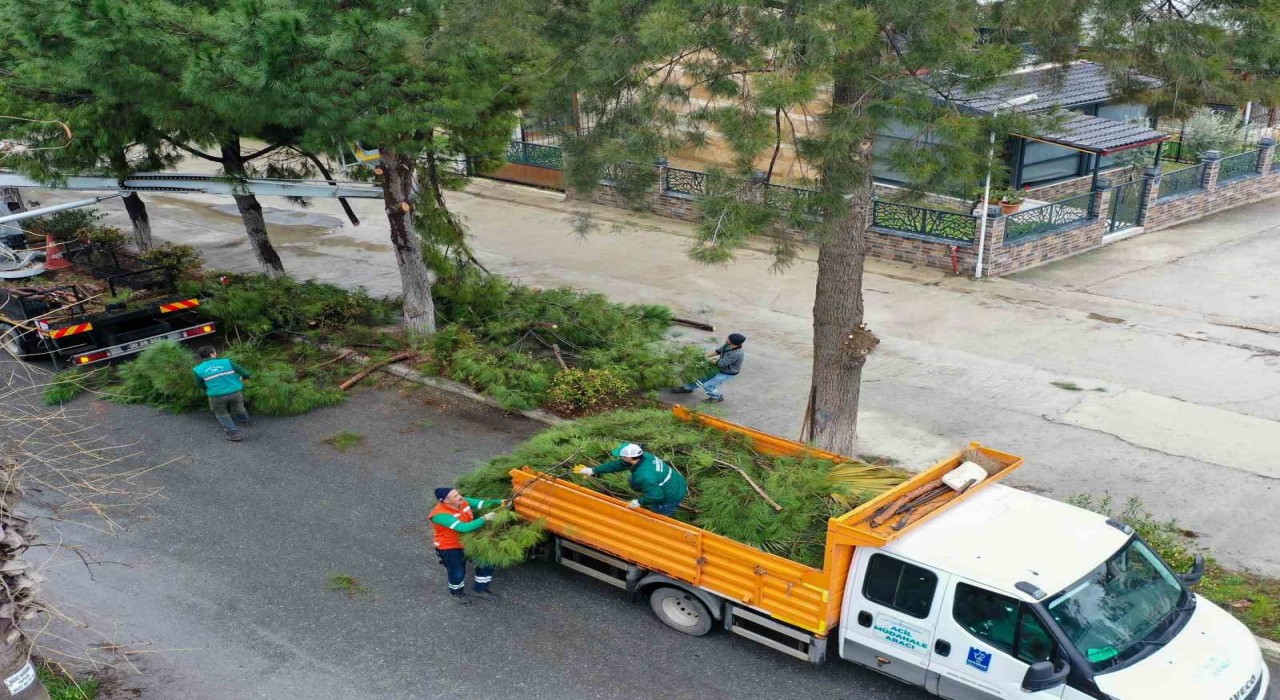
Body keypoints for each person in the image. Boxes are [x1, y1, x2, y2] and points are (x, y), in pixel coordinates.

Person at [428, 487, 507, 605]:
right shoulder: (439, 515)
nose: (460, 496)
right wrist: (485, 518)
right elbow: (464, 528)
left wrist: (501, 502)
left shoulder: (462, 501)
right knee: (457, 572)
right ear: (446, 501)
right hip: (450, 547)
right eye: (455, 496)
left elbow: (482, 503)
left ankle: (480, 589)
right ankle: (456, 593)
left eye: (458, 494)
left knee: (486, 561)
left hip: (468, 541)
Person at [574, 443, 687, 516]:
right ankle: (648, 493)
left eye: (622, 456)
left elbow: (657, 496)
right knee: (634, 481)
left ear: (629, 457)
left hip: (672, 494)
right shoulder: (644, 456)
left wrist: (639, 502)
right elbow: (617, 465)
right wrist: (593, 470)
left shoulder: (645, 476)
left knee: (657, 514)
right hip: (675, 480)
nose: (620, 457)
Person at [192, 346, 253, 441]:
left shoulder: (198, 369)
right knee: (239, 407)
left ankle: (234, 434)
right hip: (234, 392)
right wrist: (242, 378)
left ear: (201, 357)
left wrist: (210, 389)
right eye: (215, 352)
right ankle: (245, 421)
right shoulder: (227, 362)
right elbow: (245, 373)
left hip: (216, 396)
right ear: (212, 354)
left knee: (221, 413)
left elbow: (200, 384)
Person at [671, 333, 745, 403]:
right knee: (701, 377)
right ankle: (688, 388)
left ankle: (716, 397)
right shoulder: (727, 345)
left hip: (727, 372)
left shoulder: (736, 353)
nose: (727, 338)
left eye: (728, 338)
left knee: (708, 385)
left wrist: (708, 359)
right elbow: (718, 351)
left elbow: (721, 364)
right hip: (719, 367)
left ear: (732, 342)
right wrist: (705, 356)